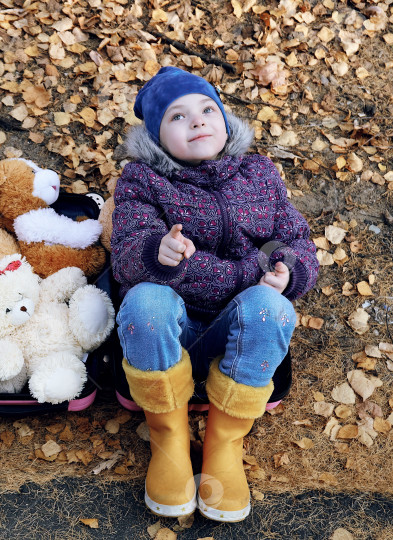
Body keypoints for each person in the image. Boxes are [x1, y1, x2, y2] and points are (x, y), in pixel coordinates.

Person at [110, 66, 319, 522]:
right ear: (158, 137)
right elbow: (124, 251)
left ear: (224, 120)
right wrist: (158, 250)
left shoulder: (258, 172)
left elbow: (295, 240)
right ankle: (168, 436)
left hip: (238, 328)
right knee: (145, 300)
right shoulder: (142, 182)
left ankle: (225, 441)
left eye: (207, 110)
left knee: (271, 306)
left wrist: (287, 272)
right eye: (178, 117)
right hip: (172, 327)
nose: (198, 121)